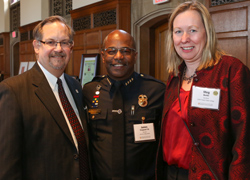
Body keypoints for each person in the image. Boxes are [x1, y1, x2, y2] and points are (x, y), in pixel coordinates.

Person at [156, 1, 250, 180]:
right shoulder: (175, 77)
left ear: (207, 33)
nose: (184, 39)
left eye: (192, 30)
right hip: (170, 174)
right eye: (178, 32)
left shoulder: (231, 71)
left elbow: (244, 140)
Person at [0, 16, 91, 180]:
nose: (59, 49)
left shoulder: (76, 86)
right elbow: (7, 164)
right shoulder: (13, 90)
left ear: (71, 47)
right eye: (51, 42)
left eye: (64, 42)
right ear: (36, 46)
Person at [82, 29, 166, 180]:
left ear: (135, 56)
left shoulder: (156, 91)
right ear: (103, 56)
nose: (118, 57)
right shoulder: (89, 91)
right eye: (111, 51)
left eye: (126, 51)